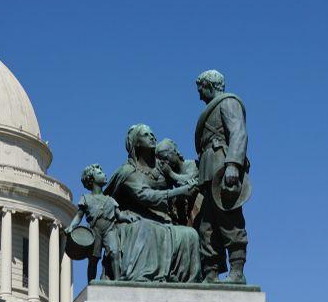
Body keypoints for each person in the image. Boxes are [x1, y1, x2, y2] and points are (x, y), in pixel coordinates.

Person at [105, 124, 202, 282]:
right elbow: (146, 196)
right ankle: (144, 276)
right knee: (147, 230)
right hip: (133, 219)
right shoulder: (128, 172)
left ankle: (185, 281)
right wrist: (180, 191)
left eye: (152, 133)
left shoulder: (160, 166)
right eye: (145, 134)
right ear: (136, 142)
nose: (152, 136)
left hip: (162, 220)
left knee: (190, 235)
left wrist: (192, 181)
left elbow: (180, 178)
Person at [193, 69, 249, 284]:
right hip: (208, 171)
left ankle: (237, 272)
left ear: (209, 85)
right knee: (206, 226)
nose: (199, 95)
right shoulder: (213, 107)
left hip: (222, 168)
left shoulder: (228, 102)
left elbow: (238, 132)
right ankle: (211, 273)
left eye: (201, 89)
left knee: (229, 219)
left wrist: (233, 164)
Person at [66, 164, 138, 281]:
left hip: (110, 229)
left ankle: (118, 280)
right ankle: (91, 283)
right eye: (100, 173)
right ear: (91, 179)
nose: (104, 175)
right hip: (95, 231)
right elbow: (79, 216)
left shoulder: (110, 200)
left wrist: (127, 218)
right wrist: (71, 227)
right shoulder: (86, 199)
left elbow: (119, 215)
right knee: (94, 259)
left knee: (115, 253)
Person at [156, 138, 200, 226]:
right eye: (162, 160)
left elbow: (190, 179)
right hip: (181, 214)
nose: (166, 162)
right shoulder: (168, 176)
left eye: (166, 157)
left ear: (174, 152)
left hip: (196, 207)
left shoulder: (192, 164)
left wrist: (171, 174)